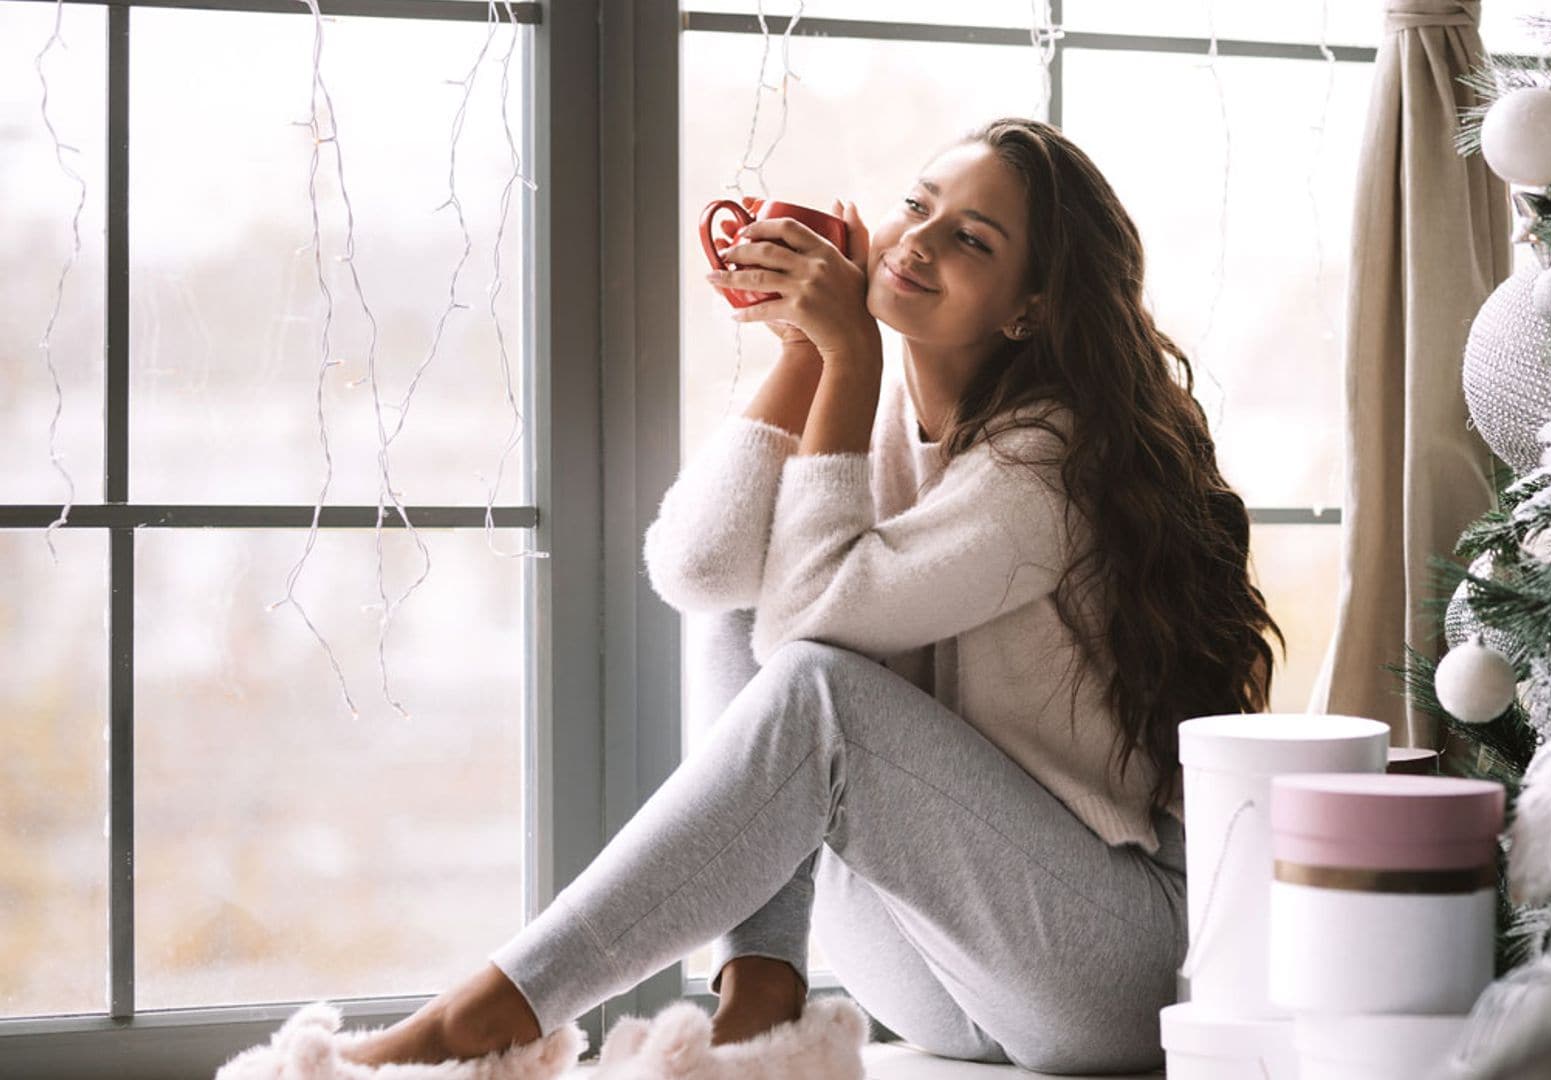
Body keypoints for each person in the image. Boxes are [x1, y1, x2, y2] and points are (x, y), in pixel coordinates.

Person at [343, 116, 1284, 1074]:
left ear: (1030, 310)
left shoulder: (1053, 459)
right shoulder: (876, 405)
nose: (918, 237)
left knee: (814, 684)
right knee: (750, 591)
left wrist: (850, 355)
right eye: (918, 204)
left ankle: (482, 1021)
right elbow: (698, 571)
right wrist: (804, 354)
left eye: (971, 238)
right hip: (941, 973)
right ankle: (760, 991)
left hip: (1104, 970)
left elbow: (808, 634)